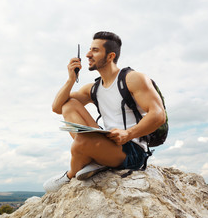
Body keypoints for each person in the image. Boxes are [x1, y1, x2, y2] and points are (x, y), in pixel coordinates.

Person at [43, 31, 166, 192]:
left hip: (132, 149)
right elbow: (58, 107)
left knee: (80, 142)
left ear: (110, 56)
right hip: (108, 141)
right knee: (69, 104)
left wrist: (128, 134)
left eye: (95, 50)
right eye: (89, 49)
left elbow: (158, 115)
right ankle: (95, 159)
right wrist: (71, 80)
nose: (87, 55)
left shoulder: (133, 79)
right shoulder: (94, 88)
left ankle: (70, 175)